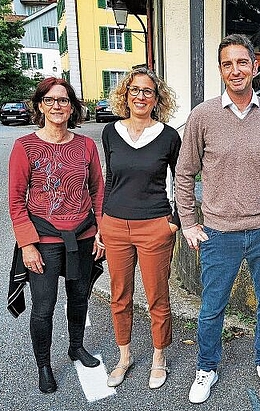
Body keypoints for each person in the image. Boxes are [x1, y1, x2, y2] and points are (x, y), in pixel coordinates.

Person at [175, 34, 260, 404]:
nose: (235, 70)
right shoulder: (203, 115)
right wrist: (189, 222)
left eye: (242, 62)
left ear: (255, 66)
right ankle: (207, 368)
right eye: (227, 64)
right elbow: (184, 173)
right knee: (212, 307)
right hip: (218, 232)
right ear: (220, 70)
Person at [8, 78, 105, 394]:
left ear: (72, 106)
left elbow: (97, 190)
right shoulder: (25, 147)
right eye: (49, 100)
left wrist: (101, 232)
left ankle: (76, 347)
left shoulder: (86, 146)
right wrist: (27, 244)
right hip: (44, 241)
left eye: (63, 100)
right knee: (44, 307)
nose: (57, 106)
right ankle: (44, 366)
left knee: (79, 298)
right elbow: (16, 199)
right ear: (40, 106)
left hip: (83, 236)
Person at [100, 67, 181, 390]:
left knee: (157, 297)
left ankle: (159, 357)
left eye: (148, 91)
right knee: (120, 296)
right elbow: (109, 179)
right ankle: (125, 356)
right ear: (125, 94)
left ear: (157, 98)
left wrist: (173, 221)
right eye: (135, 90)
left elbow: (182, 180)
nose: (140, 96)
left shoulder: (168, 136)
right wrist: (102, 222)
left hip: (154, 227)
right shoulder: (110, 132)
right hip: (115, 225)